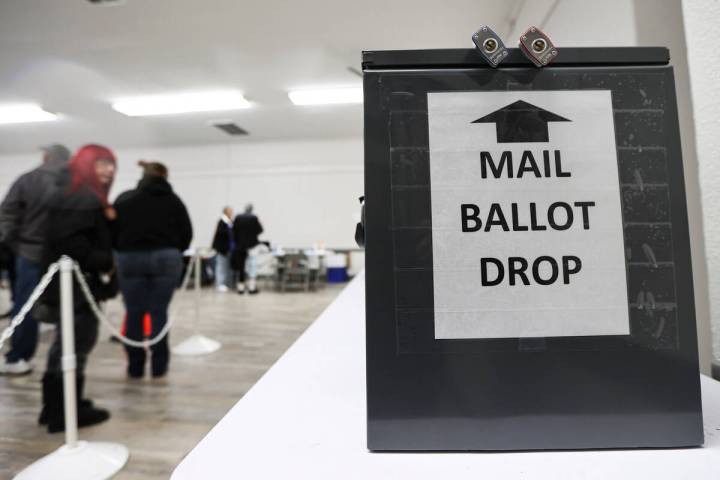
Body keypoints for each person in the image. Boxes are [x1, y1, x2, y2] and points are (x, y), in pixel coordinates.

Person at [39, 144, 117, 433]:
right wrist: (106, 262)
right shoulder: (80, 198)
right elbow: (74, 245)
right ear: (86, 165)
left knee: (67, 346)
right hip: (73, 287)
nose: (108, 170)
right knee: (74, 347)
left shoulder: (76, 195)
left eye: (111, 164)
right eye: (101, 164)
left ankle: (59, 407)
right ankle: (64, 412)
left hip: (71, 286)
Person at [113, 161, 192, 378]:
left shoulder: (125, 199)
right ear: (165, 177)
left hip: (130, 258)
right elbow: (186, 233)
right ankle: (159, 366)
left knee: (134, 313)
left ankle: (135, 366)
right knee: (159, 312)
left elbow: (111, 229)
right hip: (166, 257)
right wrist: (175, 249)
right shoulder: (174, 202)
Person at [0, 144, 70, 375]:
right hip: (66, 257)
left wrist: (13, 244)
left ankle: (18, 356)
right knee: (67, 307)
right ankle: (63, 360)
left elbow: (7, 213)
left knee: (26, 305)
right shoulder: (75, 182)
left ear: (46, 157)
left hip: (30, 253)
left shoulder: (28, 180)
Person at [231, 204, 263, 294]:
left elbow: (233, 231)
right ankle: (251, 287)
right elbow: (260, 230)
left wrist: (238, 241)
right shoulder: (254, 218)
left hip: (240, 246)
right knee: (252, 267)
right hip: (252, 246)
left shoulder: (238, 217)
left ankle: (240, 288)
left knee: (241, 267)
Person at [211, 207, 234, 292]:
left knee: (227, 267)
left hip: (228, 249)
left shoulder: (229, 222)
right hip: (222, 249)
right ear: (226, 212)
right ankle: (220, 284)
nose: (232, 213)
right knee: (221, 266)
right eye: (230, 212)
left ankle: (226, 283)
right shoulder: (222, 222)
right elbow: (221, 235)